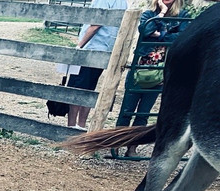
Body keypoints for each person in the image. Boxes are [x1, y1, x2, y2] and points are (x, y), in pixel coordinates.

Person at [124, 0, 186, 157]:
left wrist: (159, 35)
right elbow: (145, 30)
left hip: (162, 69)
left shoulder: (183, 16)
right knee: (127, 110)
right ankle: (117, 144)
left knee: (144, 112)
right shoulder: (148, 14)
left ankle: (132, 148)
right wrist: (162, 13)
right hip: (141, 67)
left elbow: (180, 39)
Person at [66, 0, 129, 129]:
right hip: (105, 48)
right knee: (90, 86)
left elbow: (96, 24)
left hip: (92, 48)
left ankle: (72, 125)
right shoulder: (123, 2)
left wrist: (79, 46)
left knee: (77, 86)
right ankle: (81, 124)